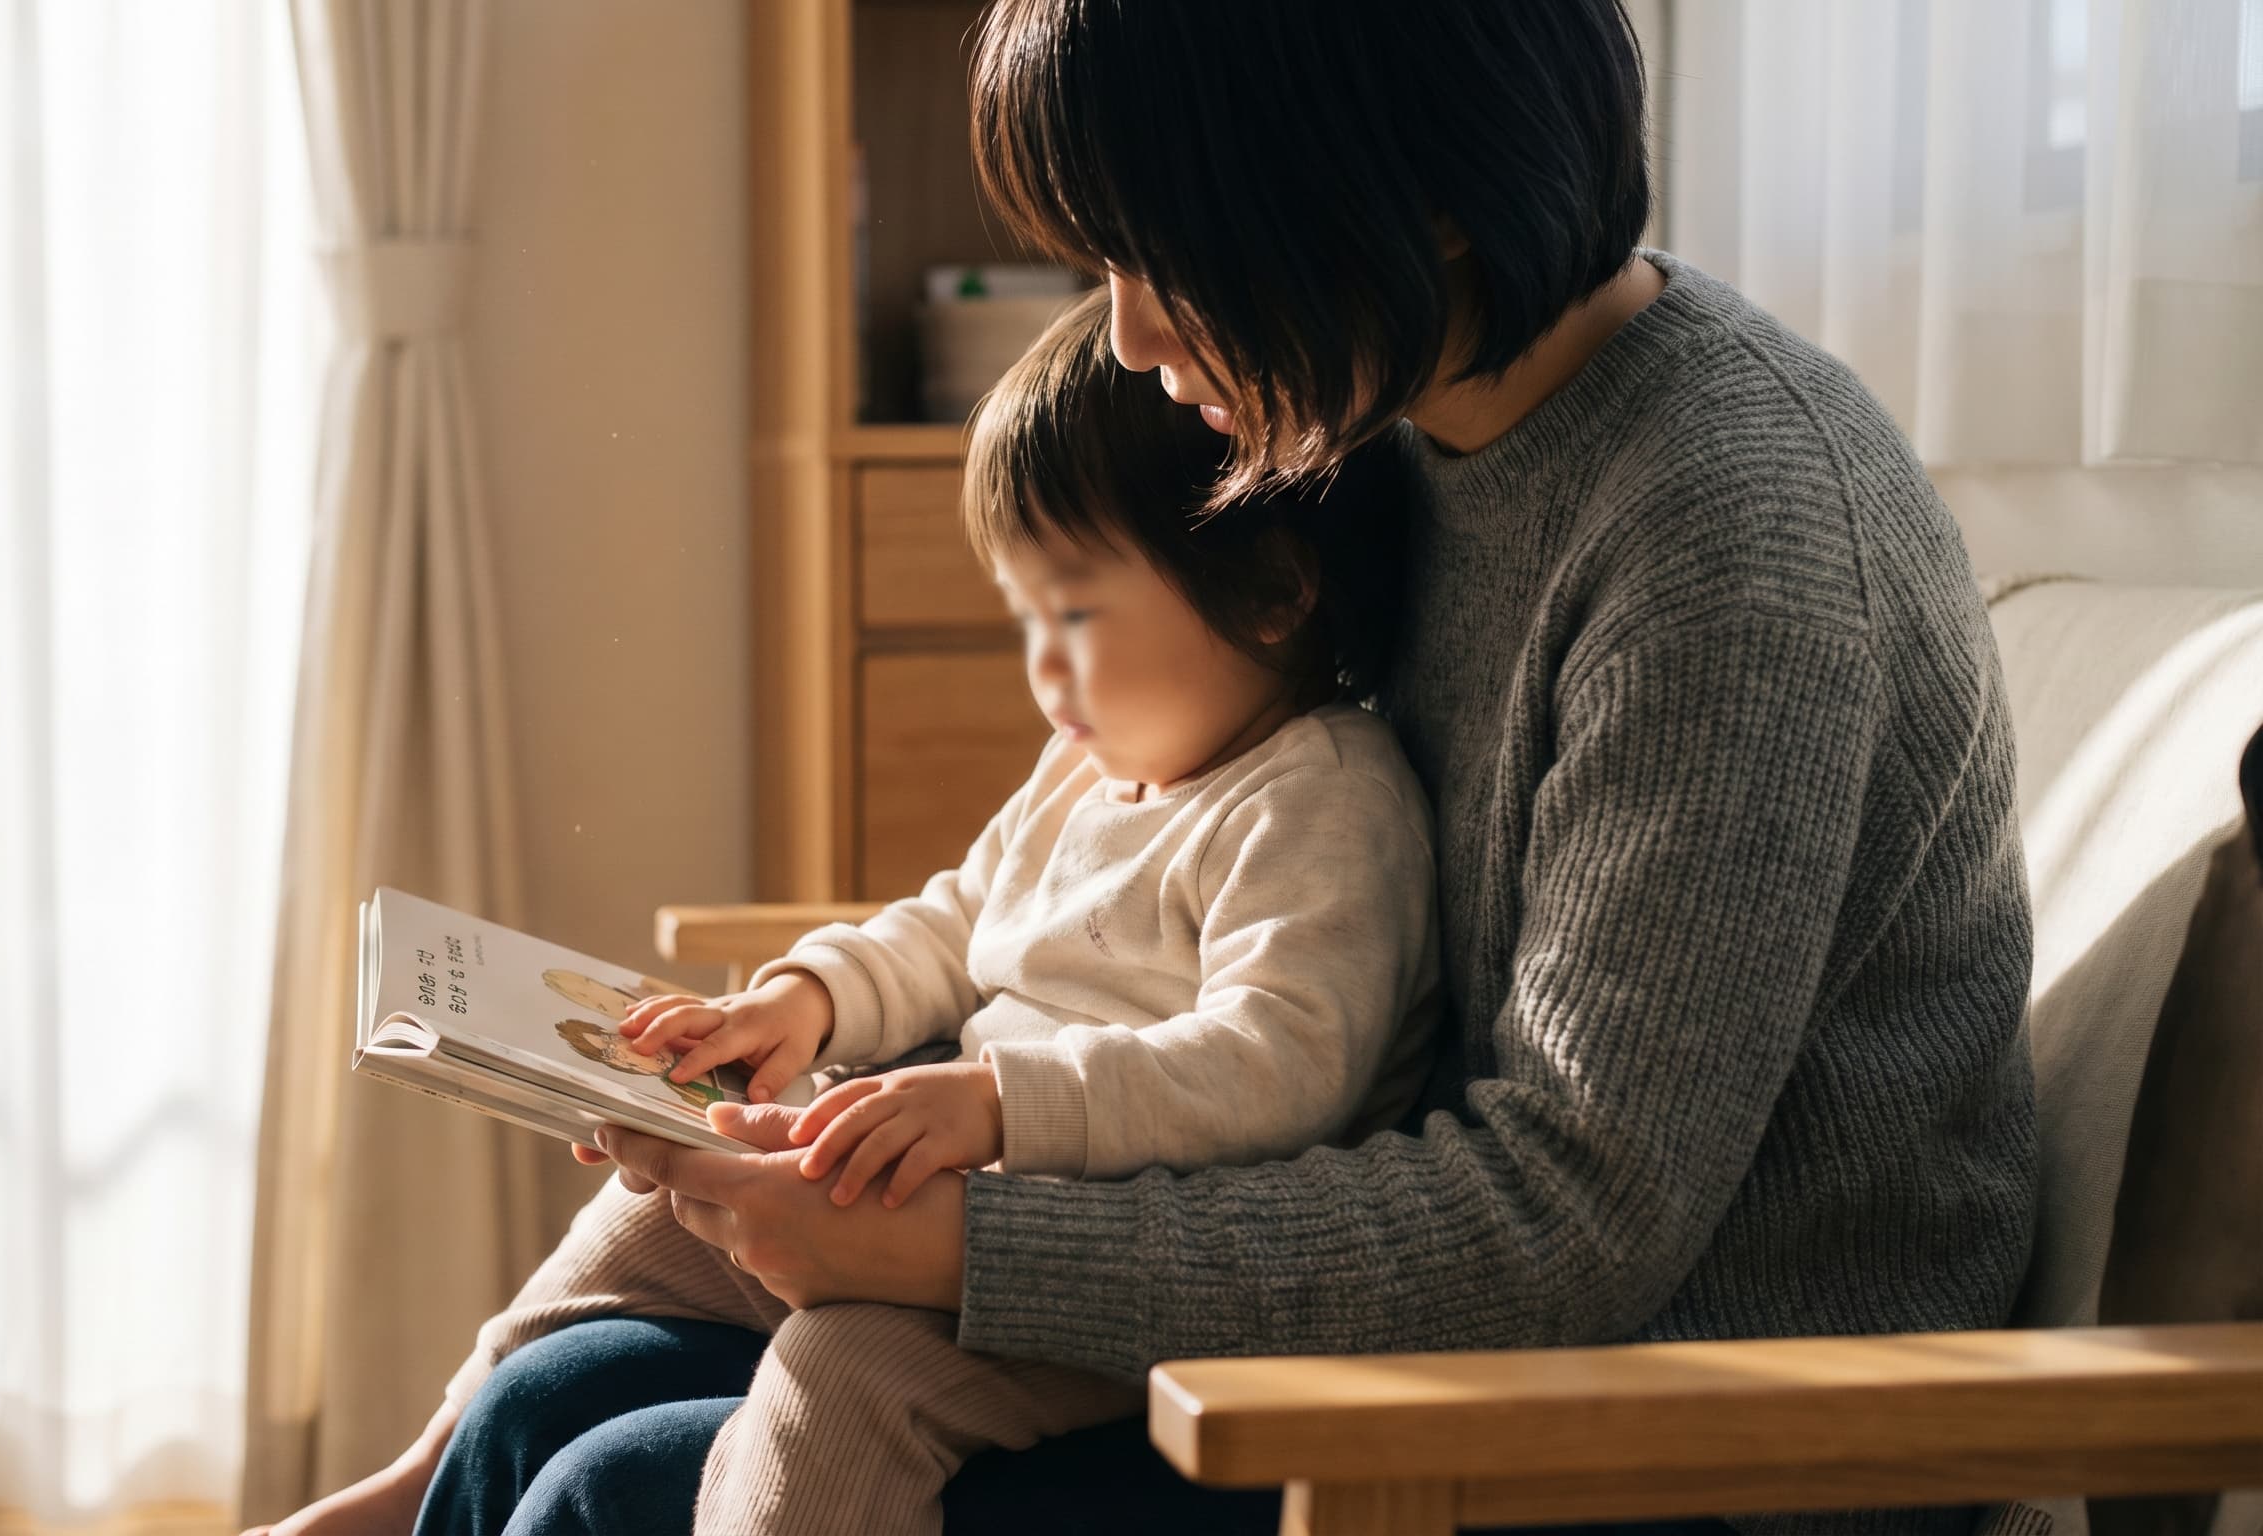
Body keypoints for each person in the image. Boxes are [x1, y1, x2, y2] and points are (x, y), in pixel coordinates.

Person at [303, 1, 2044, 1531]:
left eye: (1166, 253)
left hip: (1691, 1450)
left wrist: (964, 1246)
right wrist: (837, 1076)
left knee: (619, 1486)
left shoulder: (1726, 536)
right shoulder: (1390, 436)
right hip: (1414, 1329)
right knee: (558, 1396)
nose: (1126, 337)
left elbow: (1570, 1220)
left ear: (1416, 193)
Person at [252, 287, 1440, 1536]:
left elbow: (1280, 1063)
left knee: (848, 1380)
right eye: (1025, 615)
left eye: (1076, 614)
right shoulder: (1094, 769)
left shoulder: (1321, 803)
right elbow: (955, 919)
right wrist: (802, 1001)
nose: (1042, 672)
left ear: (1272, 593)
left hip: (1112, 1281)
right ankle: (415, 1484)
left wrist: (992, 1103)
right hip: (957, 1197)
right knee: (651, 1201)